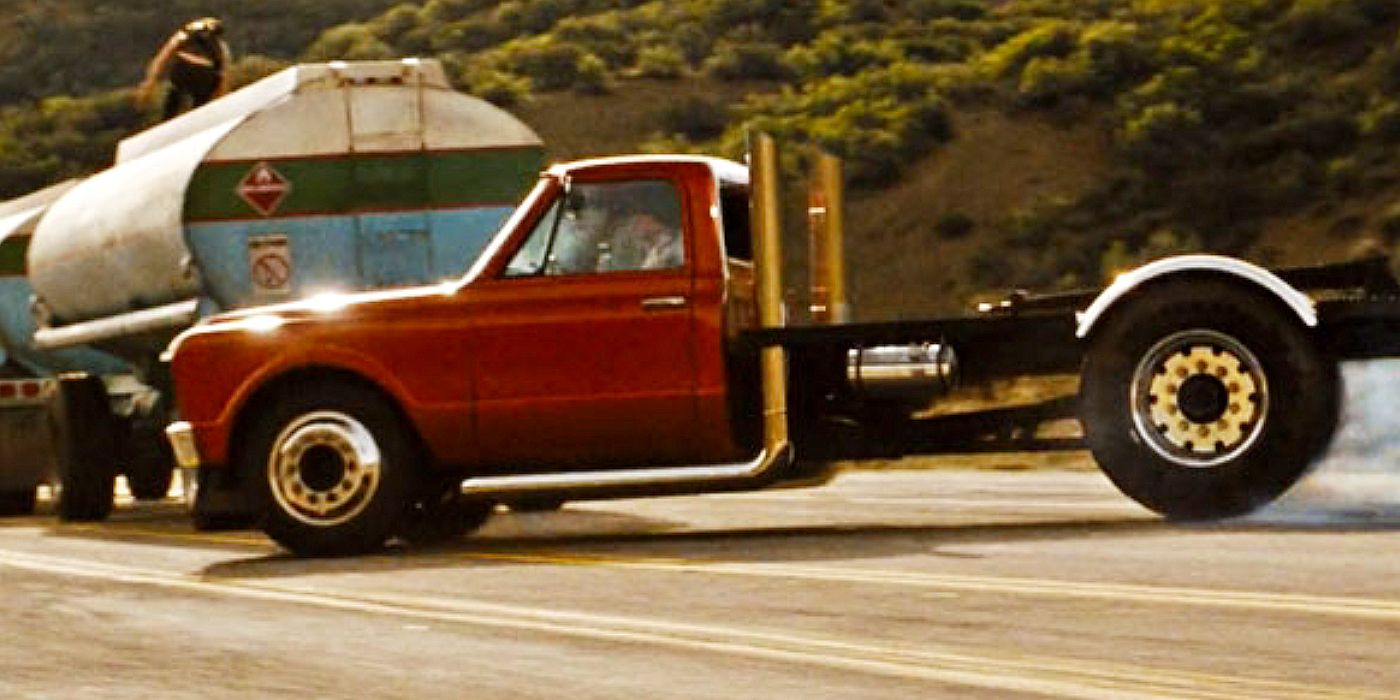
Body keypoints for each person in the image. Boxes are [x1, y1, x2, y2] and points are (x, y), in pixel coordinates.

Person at [136, 17, 232, 120]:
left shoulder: (183, 35)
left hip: (182, 69)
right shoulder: (221, 46)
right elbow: (223, 76)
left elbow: (161, 59)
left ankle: (168, 117)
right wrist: (221, 103)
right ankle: (200, 114)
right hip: (205, 75)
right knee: (202, 98)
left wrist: (149, 83)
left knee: (175, 91)